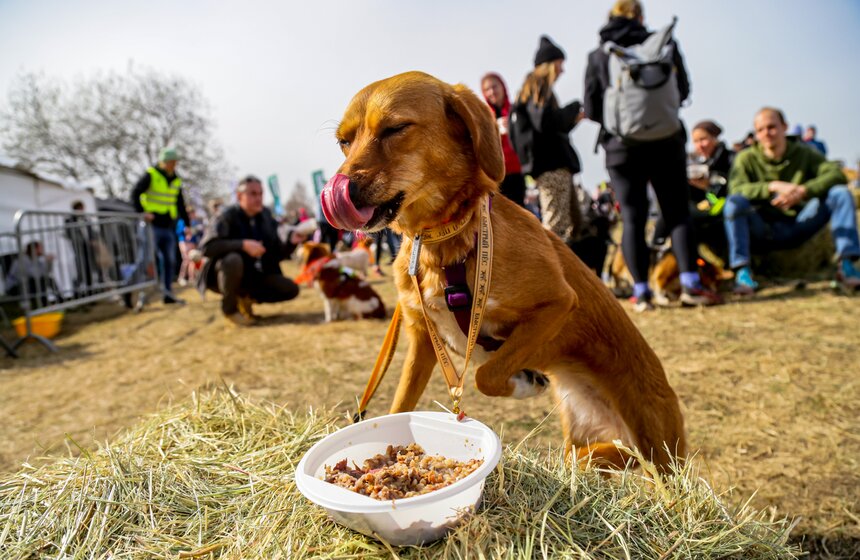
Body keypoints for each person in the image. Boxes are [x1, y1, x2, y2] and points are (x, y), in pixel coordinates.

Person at [583, 0, 719, 311]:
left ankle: (641, 293)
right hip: (666, 143)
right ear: (641, 17)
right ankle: (691, 285)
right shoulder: (663, 44)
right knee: (677, 214)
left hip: (621, 147)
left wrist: (621, 122)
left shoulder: (599, 54)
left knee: (632, 219)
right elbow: (683, 91)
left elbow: (591, 108)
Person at [724, 107, 860, 293]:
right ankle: (742, 271)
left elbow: (836, 174)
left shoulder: (804, 152)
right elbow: (736, 189)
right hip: (764, 226)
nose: (766, 133)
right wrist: (771, 187)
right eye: (760, 129)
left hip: (801, 220)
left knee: (840, 193)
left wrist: (803, 191)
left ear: (785, 127)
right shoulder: (745, 158)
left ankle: (846, 264)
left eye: (772, 127)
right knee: (733, 203)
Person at [197, 175, 304, 326]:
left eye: (260, 193)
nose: (258, 198)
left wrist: (290, 243)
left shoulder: (266, 216)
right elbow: (207, 247)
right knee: (233, 260)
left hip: (255, 274)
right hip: (223, 274)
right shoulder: (226, 216)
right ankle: (230, 310)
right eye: (253, 194)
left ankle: (246, 299)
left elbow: (275, 253)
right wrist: (243, 245)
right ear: (239, 196)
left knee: (290, 288)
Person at [515, 35, 584, 244]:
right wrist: (574, 107)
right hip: (551, 166)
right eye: (560, 65)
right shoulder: (539, 86)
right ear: (550, 65)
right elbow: (545, 122)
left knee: (573, 223)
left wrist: (573, 119)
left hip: (549, 165)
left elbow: (550, 127)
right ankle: (547, 263)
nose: (562, 70)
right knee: (556, 227)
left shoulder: (532, 89)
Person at [131, 147, 189, 304]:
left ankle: (167, 294)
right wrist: (142, 212)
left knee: (170, 260)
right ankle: (129, 291)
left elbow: (180, 203)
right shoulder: (151, 174)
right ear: (163, 162)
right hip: (151, 226)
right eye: (171, 162)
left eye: (175, 162)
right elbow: (135, 193)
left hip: (168, 226)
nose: (173, 165)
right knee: (145, 260)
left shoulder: (176, 180)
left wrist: (187, 223)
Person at [481, 72, 527, 207]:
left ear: (503, 87)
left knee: (519, 208)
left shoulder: (516, 111)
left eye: (494, 87)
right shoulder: (484, 117)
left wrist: (514, 126)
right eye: (487, 89)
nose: (492, 92)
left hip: (517, 170)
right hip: (496, 174)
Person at [7, 241, 59, 309]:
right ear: (34, 249)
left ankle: (59, 300)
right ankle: (43, 305)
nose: (42, 251)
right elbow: (34, 275)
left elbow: (45, 273)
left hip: (27, 285)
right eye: (40, 248)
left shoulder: (36, 260)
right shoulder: (22, 260)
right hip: (15, 287)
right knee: (39, 281)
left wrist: (49, 262)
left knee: (48, 280)